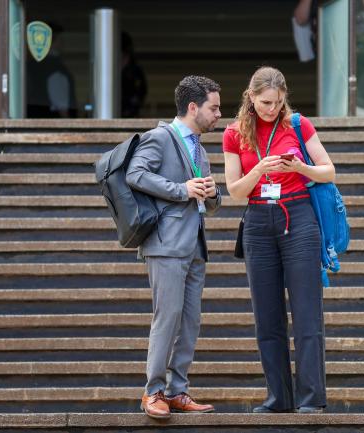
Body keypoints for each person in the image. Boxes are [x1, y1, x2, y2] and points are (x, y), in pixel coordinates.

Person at [222, 67, 334, 413]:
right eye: (265, 102)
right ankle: (278, 397)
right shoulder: (234, 133)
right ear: (251, 97)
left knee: (306, 314)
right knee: (266, 317)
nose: (271, 109)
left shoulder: (298, 125)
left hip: (298, 216)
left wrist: (299, 168)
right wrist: (259, 169)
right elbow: (235, 191)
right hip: (257, 220)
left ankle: (311, 399)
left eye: (277, 102)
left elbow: (328, 170)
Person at [126, 75, 222, 419]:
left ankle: (177, 389)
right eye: (213, 107)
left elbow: (209, 200)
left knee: (190, 321)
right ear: (193, 107)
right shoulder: (159, 138)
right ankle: (152, 391)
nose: (219, 114)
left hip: (194, 245)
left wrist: (212, 194)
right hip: (166, 245)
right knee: (166, 318)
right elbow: (135, 174)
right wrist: (181, 189)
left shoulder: (199, 146)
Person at [26, 23, 77, 118]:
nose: (63, 44)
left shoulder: (30, 66)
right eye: (61, 40)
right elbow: (61, 105)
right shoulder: (55, 67)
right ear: (54, 41)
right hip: (51, 122)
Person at [120, 32, 148, 118]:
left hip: (130, 112)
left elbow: (141, 91)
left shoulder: (135, 70)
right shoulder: (107, 71)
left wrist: (133, 107)